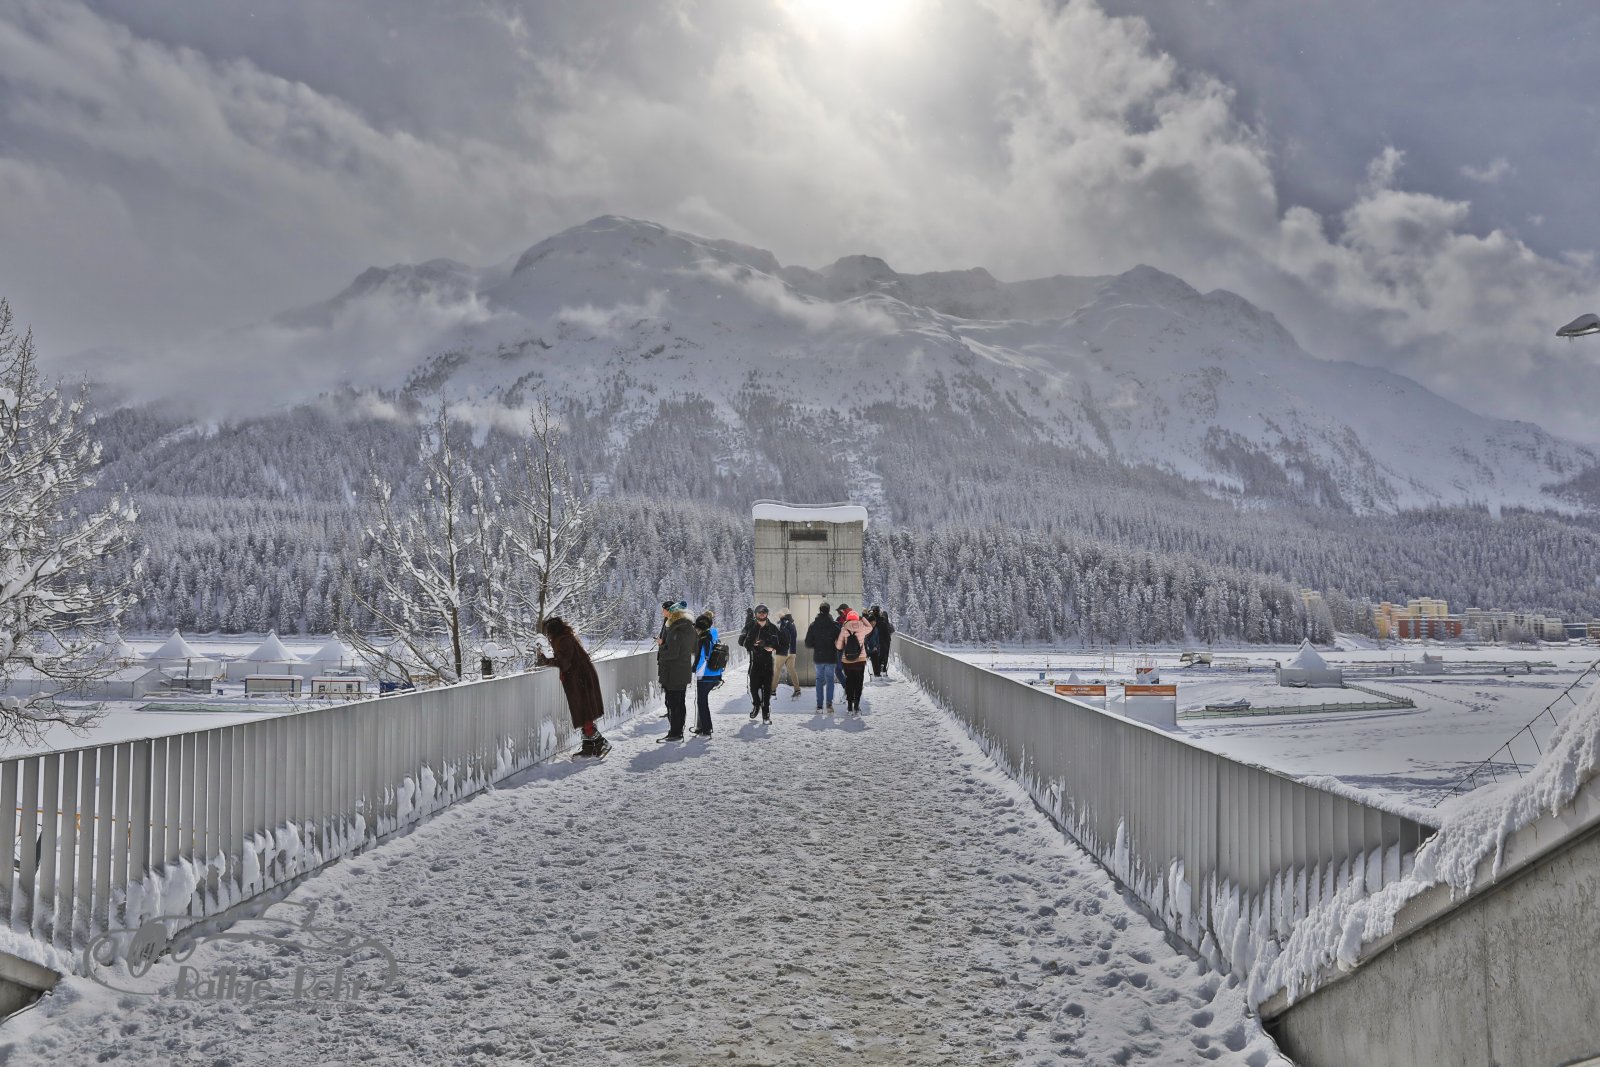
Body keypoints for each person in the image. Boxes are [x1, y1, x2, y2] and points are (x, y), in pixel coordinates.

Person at [536, 616, 609, 758]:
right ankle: (589, 747)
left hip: (580, 680)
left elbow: (564, 662)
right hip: (580, 678)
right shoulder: (564, 638)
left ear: (552, 631)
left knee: (583, 712)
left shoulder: (563, 640)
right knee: (583, 713)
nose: (548, 636)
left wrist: (546, 661)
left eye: (548, 632)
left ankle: (601, 743)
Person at [657, 600, 697, 741]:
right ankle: (678, 730)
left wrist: (662, 647)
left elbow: (672, 653)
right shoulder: (689, 628)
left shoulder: (676, 629)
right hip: (683, 671)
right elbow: (694, 648)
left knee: (673, 703)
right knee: (679, 702)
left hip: (673, 672)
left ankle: (675, 733)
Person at [739, 604, 781, 722]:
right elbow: (741, 641)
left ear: (767, 613)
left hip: (768, 662)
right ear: (756, 614)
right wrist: (752, 644)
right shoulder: (750, 626)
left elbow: (780, 644)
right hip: (755, 662)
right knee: (753, 688)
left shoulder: (773, 628)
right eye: (759, 612)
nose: (762, 614)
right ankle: (756, 705)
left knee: (767, 689)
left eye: (764, 612)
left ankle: (766, 713)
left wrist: (772, 647)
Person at [804, 602, 841, 713]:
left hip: (819, 657)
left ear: (820, 610)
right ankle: (829, 705)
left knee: (819, 680)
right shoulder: (835, 625)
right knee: (830, 680)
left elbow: (807, 643)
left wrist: (817, 644)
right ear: (829, 610)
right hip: (831, 657)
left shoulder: (813, 625)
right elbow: (840, 642)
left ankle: (819, 706)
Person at [691, 610, 723, 737]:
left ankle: (706, 728)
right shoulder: (714, 637)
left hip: (705, 675)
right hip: (716, 674)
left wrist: (694, 669)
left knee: (702, 702)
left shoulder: (703, 640)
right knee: (702, 702)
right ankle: (702, 727)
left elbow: (701, 659)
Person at [836, 609, 873, 713]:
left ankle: (849, 707)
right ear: (857, 618)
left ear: (847, 619)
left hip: (847, 661)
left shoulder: (844, 629)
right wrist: (862, 618)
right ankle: (856, 705)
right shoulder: (862, 628)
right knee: (858, 682)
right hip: (860, 661)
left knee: (849, 682)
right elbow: (870, 627)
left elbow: (839, 646)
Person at [775, 610, 800, 698]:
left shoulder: (784, 623)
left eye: (780, 615)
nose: (779, 617)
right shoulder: (792, 623)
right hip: (792, 651)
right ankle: (797, 690)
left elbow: (783, 636)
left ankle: (772, 691)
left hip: (785, 651)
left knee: (776, 669)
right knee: (792, 670)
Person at [868, 605, 894, 681]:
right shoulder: (883, 622)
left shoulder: (871, 622)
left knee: (875, 658)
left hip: (874, 643)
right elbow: (888, 632)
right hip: (884, 642)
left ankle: (876, 674)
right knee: (883, 657)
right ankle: (883, 670)